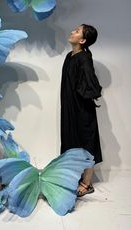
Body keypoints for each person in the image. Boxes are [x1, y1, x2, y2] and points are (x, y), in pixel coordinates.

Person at [60, 24, 103, 197]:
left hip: (83, 110)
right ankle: (75, 176)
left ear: (83, 40)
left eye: (77, 31)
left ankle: (87, 183)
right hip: (70, 108)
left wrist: (82, 95)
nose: (72, 31)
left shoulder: (84, 58)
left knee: (87, 144)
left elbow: (92, 85)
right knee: (72, 141)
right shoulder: (69, 56)